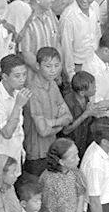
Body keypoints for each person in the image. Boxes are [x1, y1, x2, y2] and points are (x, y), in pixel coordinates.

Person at [23, 47, 72, 175]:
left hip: (51, 150)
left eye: (56, 65)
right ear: (38, 66)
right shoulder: (32, 91)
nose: (53, 70)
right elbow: (43, 131)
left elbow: (69, 117)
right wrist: (60, 124)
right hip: (36, 154)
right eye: (48, 66)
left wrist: (50, 122)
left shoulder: (53, 85)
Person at [0, 54, 30, 177]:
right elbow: (7, 133)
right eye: (17, 76)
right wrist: (18, 106)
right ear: (4, 76)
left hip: (15, 156)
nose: (22, 79)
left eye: (24, 74)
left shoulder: (17, 92)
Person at [39, 138, 86, 212]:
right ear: (61, 162)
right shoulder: (49, 180)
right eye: (73, 157)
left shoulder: (75, 172)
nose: (78, 159)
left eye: (77, 154)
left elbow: (80, 196)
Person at [60, 0, 101, 79]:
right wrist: (70, 74)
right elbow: (66, 48)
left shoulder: (95, 7)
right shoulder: (68, 17)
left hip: (95, 61)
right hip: (78, 67)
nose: (84, 0)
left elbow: (97, 33)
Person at [18, 0, 59, 80]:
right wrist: (45, 73)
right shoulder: (25, 20)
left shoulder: (50, 14)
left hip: (51, 77)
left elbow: (57, 43)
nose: (53, 0)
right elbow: (26, 54)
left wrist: (57, 70)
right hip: (33, 80)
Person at [82, 30, 109, 119]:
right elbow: (98, 106)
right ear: (106, 51)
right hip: (101, 120)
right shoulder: (93, 70)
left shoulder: (105, 62)